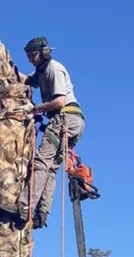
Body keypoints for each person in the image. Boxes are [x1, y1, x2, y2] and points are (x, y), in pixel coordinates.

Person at [16, 37, 85, 228]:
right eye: (28, 57)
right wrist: (11, 72)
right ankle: (41, 214)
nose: (31, 60)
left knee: (41, 162)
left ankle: (24, 207)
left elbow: (59, 102)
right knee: (51, 168)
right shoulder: (41, 72)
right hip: (72, 122)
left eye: (33, 56)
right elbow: (26, 80)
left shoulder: (54, 69)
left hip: (64, 118)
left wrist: (35, 109)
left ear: (43, 53)